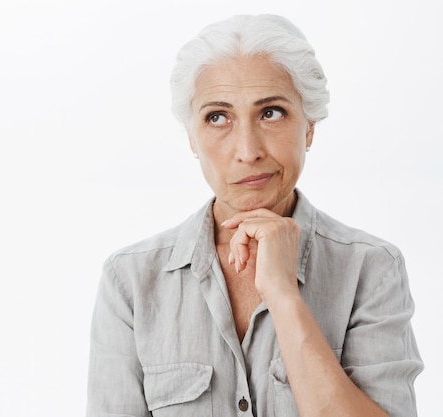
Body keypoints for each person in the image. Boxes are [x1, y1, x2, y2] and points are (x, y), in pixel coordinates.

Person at [86, 14, 423, 417]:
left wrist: (284, 297)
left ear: (309, 126)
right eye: (217, 117)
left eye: (271, 113)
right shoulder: (130, 281)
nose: (248, 150)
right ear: (192, 137)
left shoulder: (370, 269)